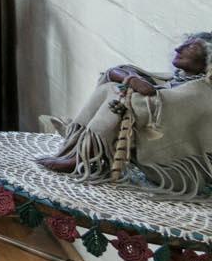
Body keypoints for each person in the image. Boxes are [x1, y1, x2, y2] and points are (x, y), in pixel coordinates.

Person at [38, 33, 212, 195]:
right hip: (153, 160)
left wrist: (129, 82)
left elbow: (147, 103)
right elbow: (118, 72)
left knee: (120, 97)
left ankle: (82, 156)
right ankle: (79, 150)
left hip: (174, 174)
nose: (178, 49)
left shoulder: (200, 92)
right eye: (184, 44)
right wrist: (131, 78)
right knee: (115, 89)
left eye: (191, 48)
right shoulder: (177, 80)